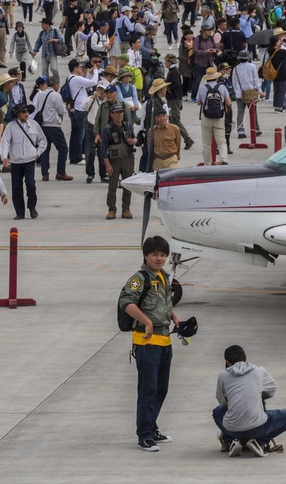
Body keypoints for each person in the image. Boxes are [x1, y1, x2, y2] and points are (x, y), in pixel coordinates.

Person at [118, 235, 180, 452]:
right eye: (155, 254)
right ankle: (144, 435)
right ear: (146, 255)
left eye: (163, 255)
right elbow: (126, 302)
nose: (160, 258)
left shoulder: (163, 276)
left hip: (165, 340)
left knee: (161, 388)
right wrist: (146, 322)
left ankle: (151, 427)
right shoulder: (139, 278)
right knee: (148, 389)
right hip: (146, 342)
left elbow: (162, 302)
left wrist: (173, 316)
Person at [214, 344, 286, 457]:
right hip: (258, 427)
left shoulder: (223, 375)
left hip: (232, 429)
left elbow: (222, 402)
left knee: (217, 411)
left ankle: (232, 441)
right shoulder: (259, 370)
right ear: (246, 357)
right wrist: (257, 394)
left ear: (227, 362)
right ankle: (260, 442)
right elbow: (272, 389)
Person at [0, 101, 46, 219]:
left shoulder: (34, 125)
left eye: (28, 111)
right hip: (16, 162)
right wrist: (4, 156)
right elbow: (5, 142)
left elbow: (42, 141)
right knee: (16, 188)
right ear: (17, 114)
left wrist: (38, 153)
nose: (27, 114)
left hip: (30, 160)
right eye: (24, 112)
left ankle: (32, 207)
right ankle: (20, 212)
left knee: (31, 186)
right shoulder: (11, 127)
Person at [30, 76, 72, 182]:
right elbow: (62, 111)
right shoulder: (56, 95)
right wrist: (65, 108)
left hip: (43, 126)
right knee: (63, 149)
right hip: (54, 125)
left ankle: (45, 173)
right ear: (56, 84)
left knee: (45, 149)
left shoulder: (40, 94)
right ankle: (61, 172)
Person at [101, 101, 137, 219]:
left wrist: (134, 141)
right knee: (112, 186)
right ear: (111, 114)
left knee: (127, 185)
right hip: (114, 161)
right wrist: (107, 165)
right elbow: (103, 148)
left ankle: (126, 209)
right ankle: (112, 209)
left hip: (127, 158)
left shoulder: (128, 126)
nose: (119, 115)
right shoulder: (107, 129)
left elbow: (134, 138)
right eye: (116, 113)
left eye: (121, 112)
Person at [197, 67, 231, 165]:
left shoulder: (202, 88)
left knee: (206, 143)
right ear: (216, 78)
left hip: (206, 117)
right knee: (221, 141)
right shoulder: (222, 87)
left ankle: (207, 163)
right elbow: (228, 102)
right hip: (219, 116)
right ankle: (224, 160)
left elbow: (198, 103)